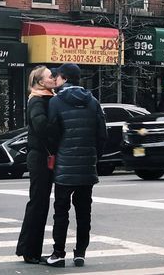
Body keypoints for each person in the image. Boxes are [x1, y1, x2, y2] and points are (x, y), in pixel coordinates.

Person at [44, 63, 108, 267]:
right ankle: (80, 253)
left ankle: (58, 253)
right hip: (87, 166)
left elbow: (51, 135)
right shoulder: (93, 102)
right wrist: (94, 157)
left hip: (65, 166)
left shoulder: (56, 102)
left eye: (58, 77)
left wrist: (54, 153)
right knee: (84, 211)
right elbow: (102, 134)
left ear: (63, 78)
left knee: (61, 211)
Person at [16, 65, 57, 264]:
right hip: (40, 157)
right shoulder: (38, 100)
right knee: (38, 204)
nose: (54, 78)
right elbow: (40, 126)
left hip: (42, 156)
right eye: (50, 76)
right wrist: (57, 125)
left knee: (40, 203)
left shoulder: (45, 98)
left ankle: (30, 250)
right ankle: (29, 251)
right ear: (41, 82)